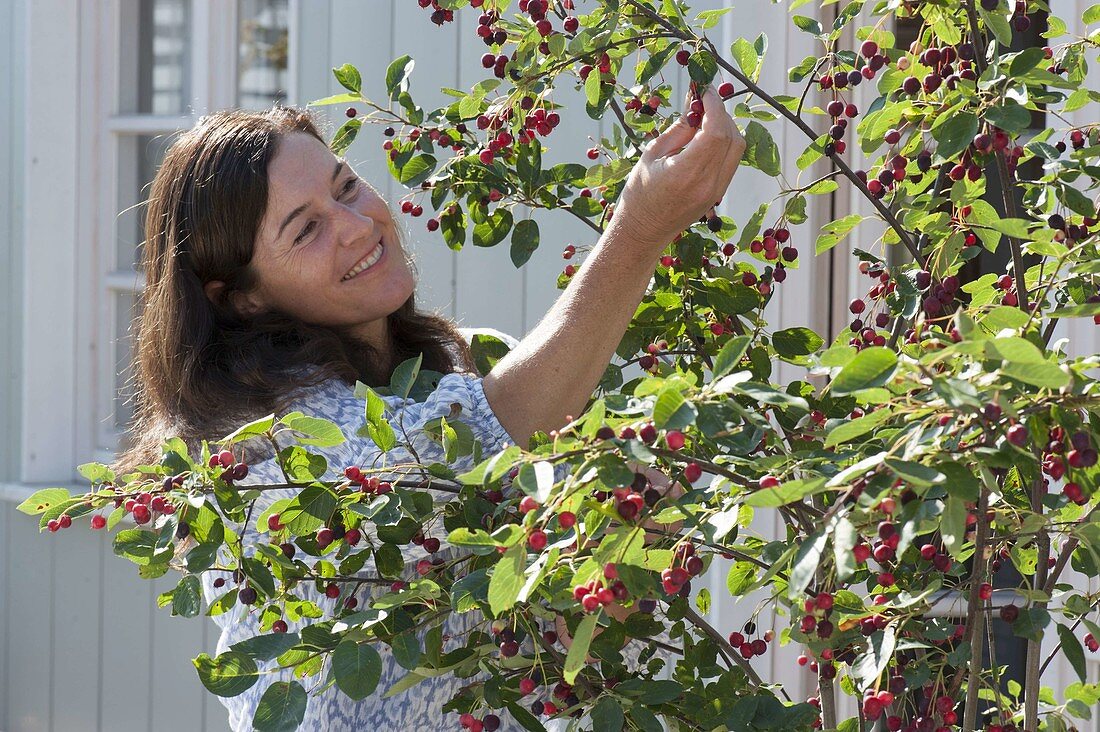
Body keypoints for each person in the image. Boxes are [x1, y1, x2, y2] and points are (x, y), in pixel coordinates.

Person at [112, 86, 745, 730]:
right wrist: (639, 229)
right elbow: (469, 446)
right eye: (305, 230)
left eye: (347, 188)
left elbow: (559, 670)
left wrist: (619, 559)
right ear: (240, 298)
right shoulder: (258, 448)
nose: (358, 226)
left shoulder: (453, 368)